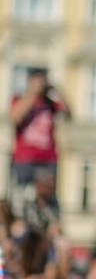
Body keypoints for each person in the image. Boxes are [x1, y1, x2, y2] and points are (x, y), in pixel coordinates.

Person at [8, 68, 69, 205]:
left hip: (47, 159)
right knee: (22, 197)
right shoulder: (19, 98)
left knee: (47, 198)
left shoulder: (50, 103)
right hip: (25, 158)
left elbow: (68, 114)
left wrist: (57, 91)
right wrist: (32, 92)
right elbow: (15, 117)